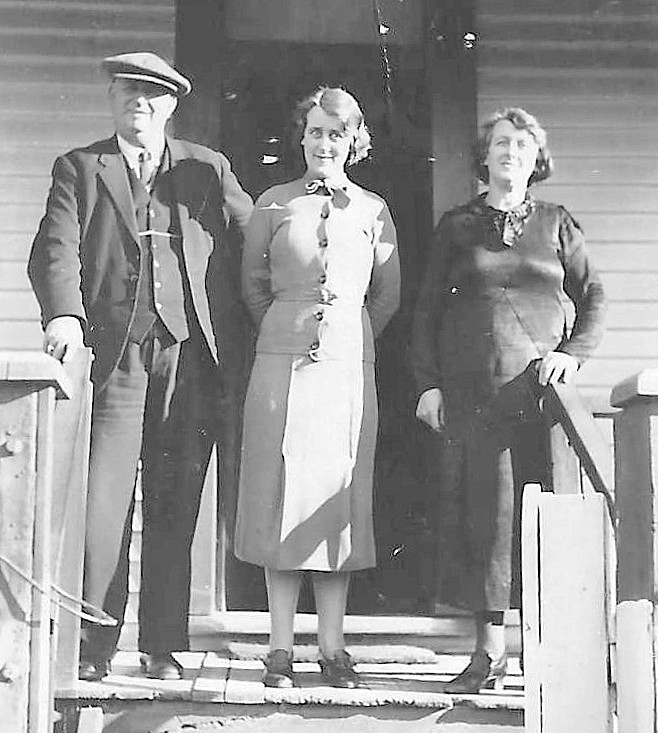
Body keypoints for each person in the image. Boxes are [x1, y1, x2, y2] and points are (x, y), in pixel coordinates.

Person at [28, 52, 253, 681]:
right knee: (102, 505)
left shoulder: (207, 168)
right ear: (112, 98)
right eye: (129, 90)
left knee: (175, 503)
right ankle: (93, 647)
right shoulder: (79, 168)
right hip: (114, 358)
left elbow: (256, 239)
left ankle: (162, 646)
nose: (140, 102)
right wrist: (64, 315)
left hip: (188, 357)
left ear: (171, 106)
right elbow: (55, 249)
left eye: (153, 94)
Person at [410, 107, 606, 694]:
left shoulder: (556, 223)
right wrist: (428, 384)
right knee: (486, 520)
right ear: (485, 155)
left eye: (522, 145)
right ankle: (488, 654)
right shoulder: (458, 226)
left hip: (541, 397)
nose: (510, 153)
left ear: (535, 158)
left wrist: (572, 354)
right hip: (474, 397)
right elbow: (426, 311)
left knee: (544, 516)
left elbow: (593, 296)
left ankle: (543, 654)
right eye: (501, 143)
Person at [234, 87, 400, 689]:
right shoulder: (273, 203)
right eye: (314, 133)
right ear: (300, 138)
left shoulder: (374, 210)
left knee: (337, 500)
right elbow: (253, 287)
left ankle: (333, 646)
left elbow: (386, 296)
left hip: (345, 367)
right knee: (278, 496)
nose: (324, 144)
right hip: (280, 365)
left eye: (336, 134)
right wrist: (292, 327)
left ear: (354, 142)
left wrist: (341, 336)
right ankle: (279, 649)